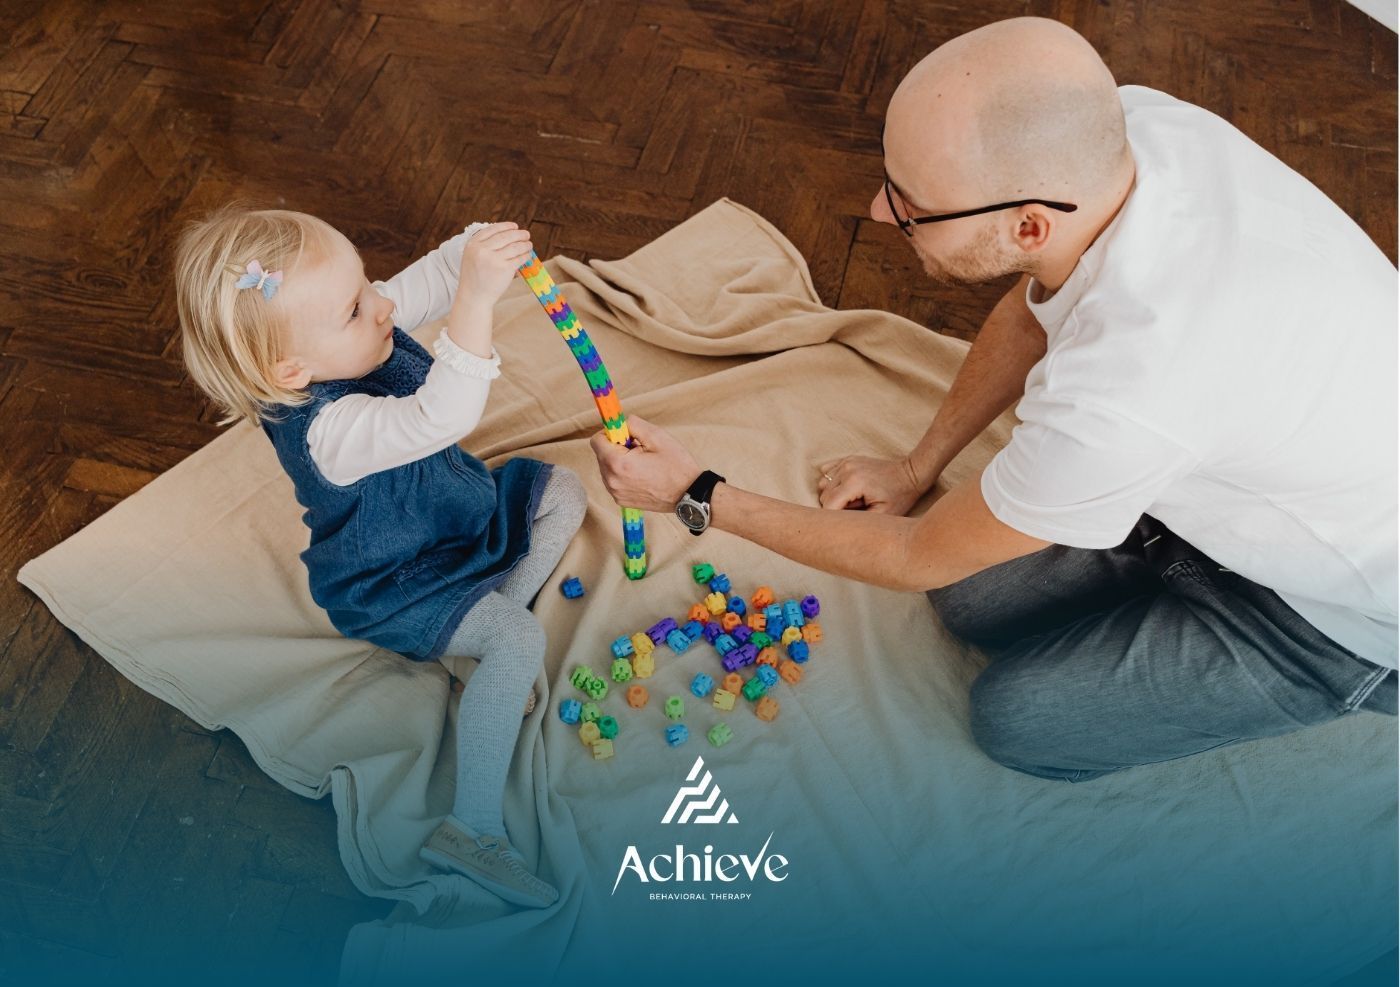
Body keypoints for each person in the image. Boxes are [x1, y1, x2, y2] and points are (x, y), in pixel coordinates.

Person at [589, 16, 1398, 782]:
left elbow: (914, 557)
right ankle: (1164, 544)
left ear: (1031, 225)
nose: (878, 211)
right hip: (1230, 474)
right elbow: (1035, 311)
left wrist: (696, 495)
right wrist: (916, 467)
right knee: (973, 598)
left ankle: (1340, 681)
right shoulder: (1136, 134)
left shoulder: (1127, 389)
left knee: (1018, 720)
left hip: (1334, 618)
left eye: (911, 204)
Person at [175, 208, 580, 905]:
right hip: (399, 581)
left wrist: (472, 248)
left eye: (366, 283)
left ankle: (480, 638)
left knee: (562, 491)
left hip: (458, 520)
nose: (383, 303)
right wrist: (476, 301)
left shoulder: (352, 330)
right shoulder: (326, 431)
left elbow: (422, 283)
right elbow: (444, 417)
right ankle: (472, 830)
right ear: (293, 369)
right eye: (359, 303)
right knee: (520, 639)